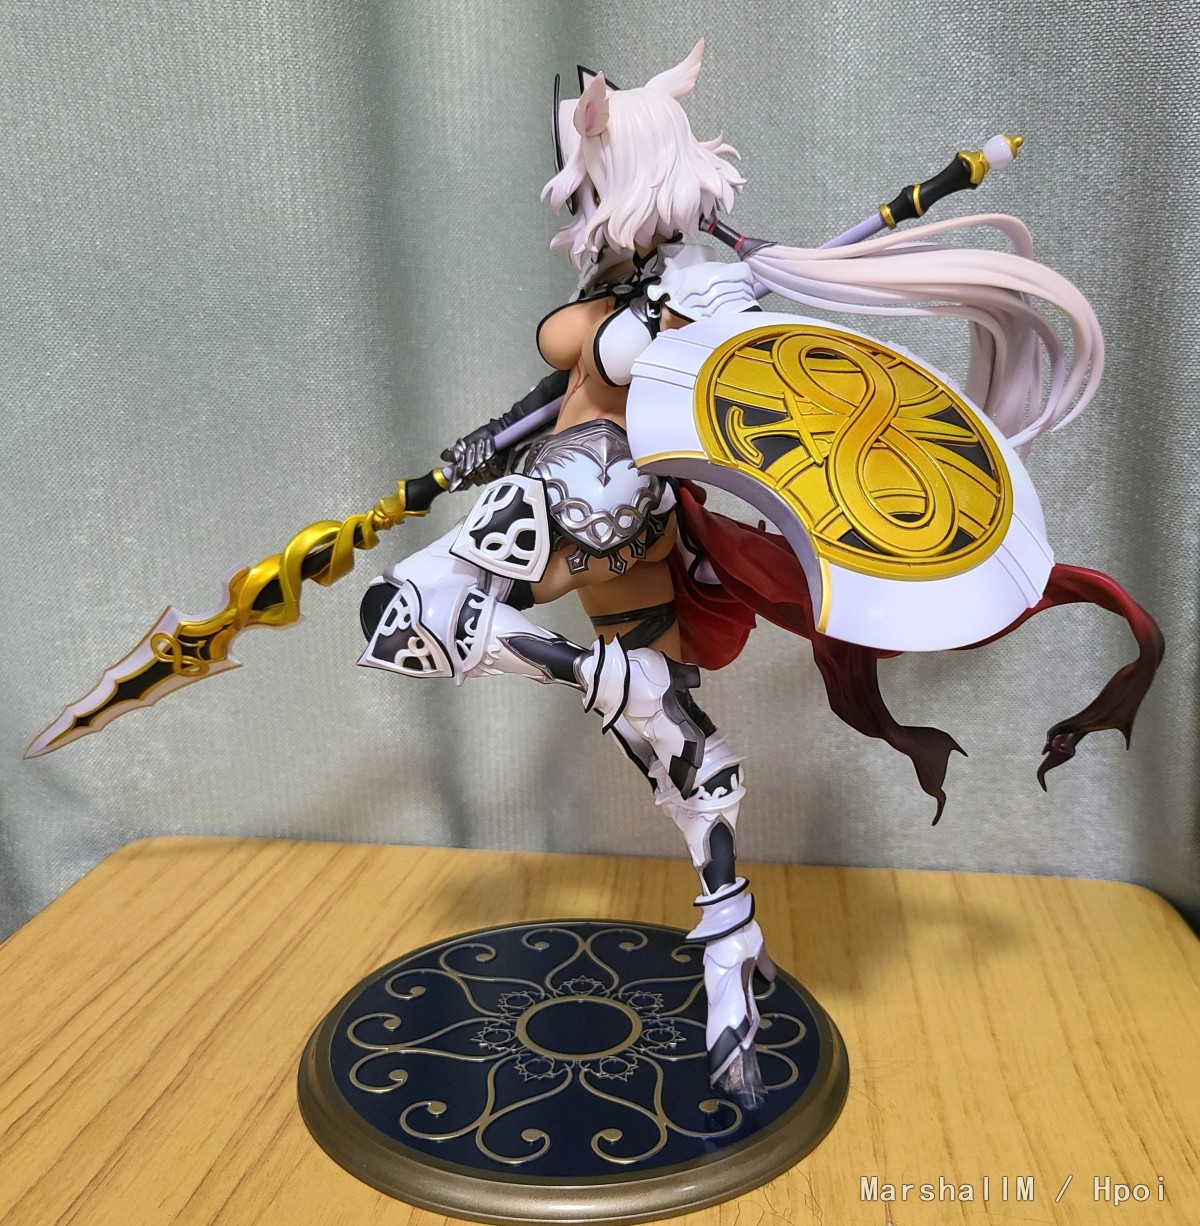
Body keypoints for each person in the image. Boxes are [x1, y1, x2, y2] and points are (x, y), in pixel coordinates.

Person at [358, 40, 1162, 1106]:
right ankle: (728, 935)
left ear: (611, 172)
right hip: (600, 519)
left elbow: (695, 387)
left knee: (425, 614)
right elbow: (563, 387)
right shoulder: (653, 283)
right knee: (658, 740)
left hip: (586, 508)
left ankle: (609, 701)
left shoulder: (694, 294)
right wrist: (479, 443)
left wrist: (657, 331)